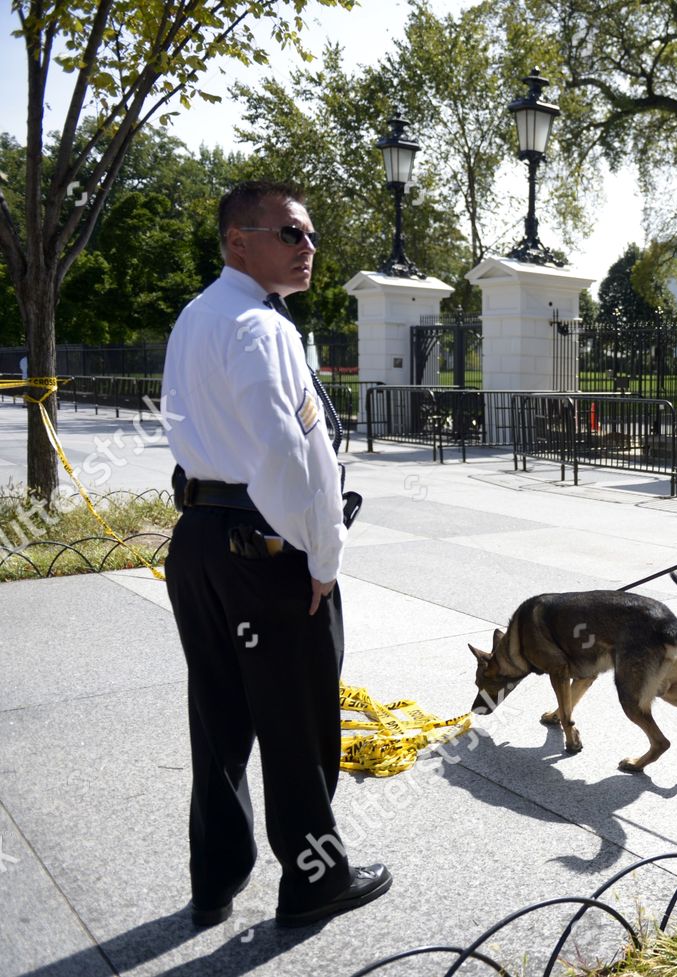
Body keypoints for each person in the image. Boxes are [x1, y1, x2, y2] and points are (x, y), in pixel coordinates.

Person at [160, 180, 390, 928]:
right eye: (291, 233)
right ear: (239, 240)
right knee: (298, 720)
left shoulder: (198, 316)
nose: (308, 248)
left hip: (198, 541)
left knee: (218, 715)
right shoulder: (264, 328)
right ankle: (316, 876)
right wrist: (323, 557)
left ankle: (215, 876)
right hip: (263, 549)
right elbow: (294, 458)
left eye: (311, 236)